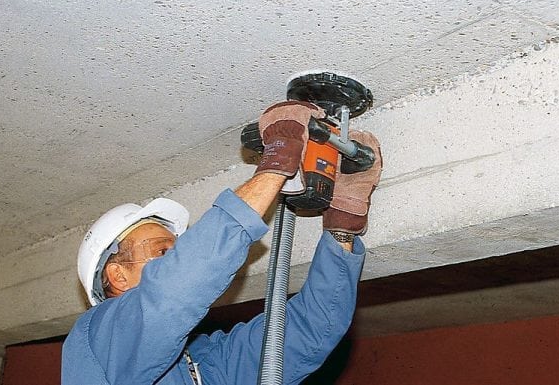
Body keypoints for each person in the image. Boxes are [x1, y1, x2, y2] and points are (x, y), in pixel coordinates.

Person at [62, 100, 382, 385]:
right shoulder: (97, 340)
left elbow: (308, 333)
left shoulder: (201, 363)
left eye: (179, 248)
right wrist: (278, 158)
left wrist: (343, 223)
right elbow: (172, 291)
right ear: (117, 275)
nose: (178, 257)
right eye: (163, 251)